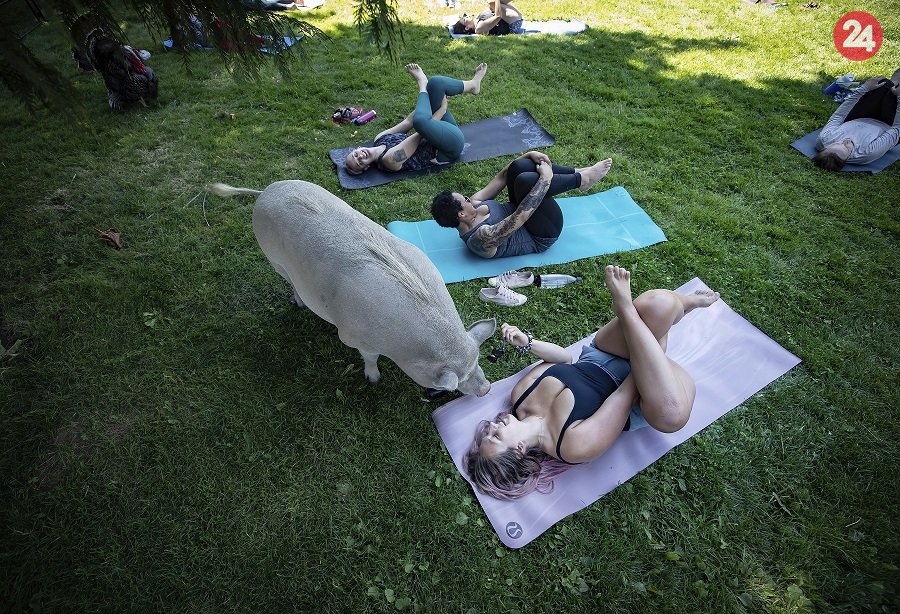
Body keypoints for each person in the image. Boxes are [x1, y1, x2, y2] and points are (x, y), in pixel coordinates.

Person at [464, 265, 720, 500]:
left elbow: (565, 359)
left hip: (602, 355)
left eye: (488, 431)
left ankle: (686, 303)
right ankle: (627, 310)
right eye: (495, 436)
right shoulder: (572, 446)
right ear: (519, 449)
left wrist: (528, 343)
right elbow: (625, 395)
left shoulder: (520, 396)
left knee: (659, 304)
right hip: (640, 389)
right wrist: (651, 351)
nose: (493, 426)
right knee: (671, 416)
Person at [430, 152, 612, 259]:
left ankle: (578, 172)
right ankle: (582, 180)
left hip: (523, 211)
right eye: (466, 200)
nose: (469, 199)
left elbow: (502, 177)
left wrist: (529, 154)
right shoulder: (480, 239)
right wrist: (546, 178)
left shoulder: (475, 205)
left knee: (518, 167)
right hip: (542, 232)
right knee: (527, 181)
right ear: (461, 214)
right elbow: (521, 216)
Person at [344, 63, 488, 175]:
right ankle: (422, 83)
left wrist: (431, 98)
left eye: (355, 155)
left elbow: (408, 121)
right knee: (420, 122)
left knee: (436, 84)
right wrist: (441, 110)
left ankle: (473, 85)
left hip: (438, 128)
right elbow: (420, 134)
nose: (360, 157)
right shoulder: (388, 160)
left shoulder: (380, 138)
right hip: (447, 147)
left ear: (358, 148)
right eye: (359, 163)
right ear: (366, 167)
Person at [814, 70, 900, 171]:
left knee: (882, 84)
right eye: (847, 147)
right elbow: (896, 128)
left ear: (825, 147)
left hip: (861, 117)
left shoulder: (824, 139)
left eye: (837, 143)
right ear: (847, 159)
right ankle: (896, 85)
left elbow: (839, 116)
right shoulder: (867, 153)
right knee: (892, 93)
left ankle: (894, 83)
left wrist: (864, 88)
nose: (845, 141)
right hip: (889, 124)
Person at [453, 0, 525, 36]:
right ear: (467, 27)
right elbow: (498, 16)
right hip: (513, 24)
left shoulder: (477, 20)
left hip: (511, 18)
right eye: (465, 18)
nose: (466, 16)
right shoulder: (479, 29)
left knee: (492, 3)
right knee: (492, 2)